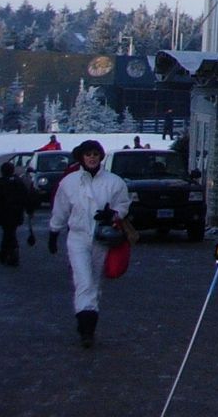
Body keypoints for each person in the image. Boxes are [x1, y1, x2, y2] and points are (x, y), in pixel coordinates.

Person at [46, 138, 130, 346]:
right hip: (78, 237)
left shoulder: (114, 182)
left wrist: (113, 214)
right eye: (88, 154)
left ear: (100, 156)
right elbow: (61, 208)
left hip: (102, 239)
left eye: (95, 154)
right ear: (81, 157)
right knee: (83, 279)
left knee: (94, 282)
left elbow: (124, 204)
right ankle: (86, 327)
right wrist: (54, 231)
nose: (92, 158)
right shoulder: (70, 182)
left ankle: (88, 319)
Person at [0, 160, 35, 266]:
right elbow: (26, 197)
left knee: (8, 232)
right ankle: (5, 253)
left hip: (4, 212)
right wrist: (30, 210)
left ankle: (11, 253)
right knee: (10, 232)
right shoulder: (19, 182)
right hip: (17, 212)